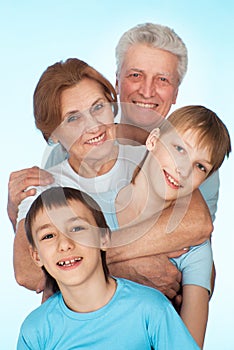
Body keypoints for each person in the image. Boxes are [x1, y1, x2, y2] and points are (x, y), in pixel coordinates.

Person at [11, 24, 213, 299]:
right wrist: (123, 267)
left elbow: (199, 225)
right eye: (73, 118)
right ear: (53, 135)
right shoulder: (46, 181)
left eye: (97, 107)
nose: (93, 126)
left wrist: (96, 258)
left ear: (111, 103)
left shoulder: (152, 153)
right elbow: (30, 273)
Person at [94, 105, 231, 348]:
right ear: (154, 140)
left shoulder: (195, 250)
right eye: (179, 149)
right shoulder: (92, 210)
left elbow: (189, 344)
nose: (183, 170)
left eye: (200, 166)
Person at [17, 186, 200, 350]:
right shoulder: (35, 330)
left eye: (77, 228)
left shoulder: (151, 309)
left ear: (103, 238)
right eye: (48, 236)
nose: (64, 244)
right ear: (36, 256)